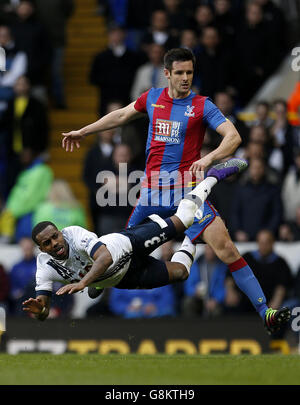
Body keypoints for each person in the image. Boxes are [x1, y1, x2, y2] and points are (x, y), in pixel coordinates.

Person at [60, 47, 290, 333]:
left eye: (189, 73)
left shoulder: (202, 105)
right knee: (121, 256)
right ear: (166, 73)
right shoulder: (152, 98)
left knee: (226, 248)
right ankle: (101, 281)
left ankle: (264, 311)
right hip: (151, 195)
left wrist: (207, 159)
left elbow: (234, 137)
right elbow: (120, 115)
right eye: (179, 73)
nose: (185, 78)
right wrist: (84, 131)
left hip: (188, 195)